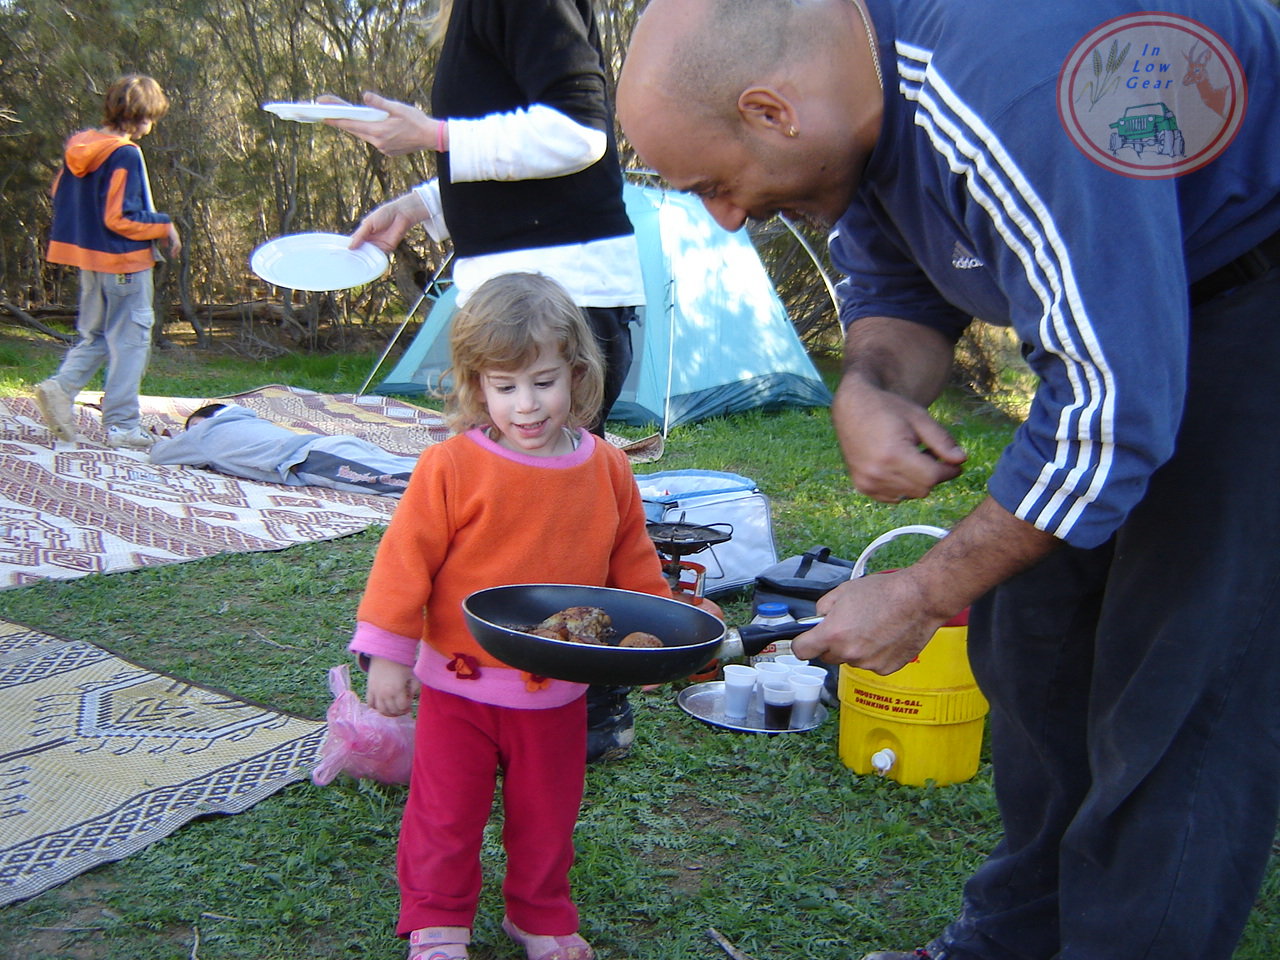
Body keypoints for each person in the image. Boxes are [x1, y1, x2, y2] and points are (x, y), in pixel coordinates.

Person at [617, 1, 1280, 959]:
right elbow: (895, 273)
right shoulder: (861, 105)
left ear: (770, 112)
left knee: (1174, 692)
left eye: (716, 184)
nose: (725, 216)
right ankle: (1007, 943)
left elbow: (1112, 412)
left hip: (1251, 292)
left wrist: (924, 592)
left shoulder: (1017, 83)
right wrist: (873, 383)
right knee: (1034, 640)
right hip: (1140, 311)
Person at [326, 0, 647, 764]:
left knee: (562, 511)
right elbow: (517, 166)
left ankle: (587, 703)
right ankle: (489, 684)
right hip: (510, 281)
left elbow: (576, 133)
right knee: (497, 508)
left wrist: (431, 135)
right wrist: (424, 202)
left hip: (564, 290)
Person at [349, 272, 672, 960]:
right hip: (457, 685)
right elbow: (404, 563)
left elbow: (633, 565)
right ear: (476, 386)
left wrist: (661, 641)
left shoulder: (607, 468)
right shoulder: (451, 467)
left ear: (577, 374)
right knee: (446, 814)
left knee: (547, 818)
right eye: (506, 387)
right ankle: (438, 920)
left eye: (544, 382)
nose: (527, 406)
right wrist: (387, 655)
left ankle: (539, 914)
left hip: (557, 689)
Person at [34, 73, 182, 450]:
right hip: (125, 265)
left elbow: (60, 194)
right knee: (131, 341)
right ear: (141, 114)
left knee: (96, 335)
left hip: (90, 261)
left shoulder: (81, 146)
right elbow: (120, 217)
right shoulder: (125, 153)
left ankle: (60, 388)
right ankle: (123, 425)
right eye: (151, 117)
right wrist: (164, 226)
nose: (151, 125)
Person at [149, 403, 419, 496]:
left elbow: (159, 455)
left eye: (193, 426)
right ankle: (458, 472)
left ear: (211, 418)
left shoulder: (204, 435)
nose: (190, 433)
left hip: (312, 458)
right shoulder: (248, 420)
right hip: (328, 446)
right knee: (403, 465)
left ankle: (453, 490)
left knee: (390, 481)